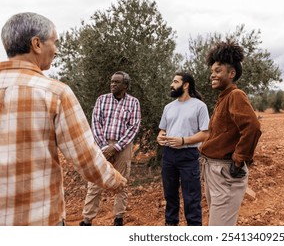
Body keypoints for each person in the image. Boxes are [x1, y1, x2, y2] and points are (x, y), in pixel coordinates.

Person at [0, 12, 127, 226]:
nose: (57, 50)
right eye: (55, 42)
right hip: (39, 219)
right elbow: (85, 156)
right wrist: (116, 181)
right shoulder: (55, 93)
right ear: (37, 44)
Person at [199, 40, 262, 226]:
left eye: (218, 71)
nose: (212, 75)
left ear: (231, 73)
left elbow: (252, 127)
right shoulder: (224, 97)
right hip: (213, 170)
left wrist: (239, 157)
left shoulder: (235, 95)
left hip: (225, 171)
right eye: (212, 72)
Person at [80, 71, 141, 226]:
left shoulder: (133, 103)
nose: (112, 84)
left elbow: (134, 127)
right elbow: (96, 123)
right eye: (112, 81)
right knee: (95, 182)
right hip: (101, 145)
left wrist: (118, 146)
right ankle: (87, 220)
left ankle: (118, 219)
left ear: (125, 85)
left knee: (122, 181)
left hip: (123, 146)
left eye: (117, 82)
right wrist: (105, 147)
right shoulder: (102, 100)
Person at [157, 72, 210, 226]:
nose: (171, 85)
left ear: (185, 85)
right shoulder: (168, 107)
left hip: (189, 155)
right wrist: (160, 137)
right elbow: (162, 130)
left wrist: (183, 141)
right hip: (168, 155)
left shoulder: (199, 106)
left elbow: (205, 133)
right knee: (170, 196)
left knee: (192, 198)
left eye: (175, 82)